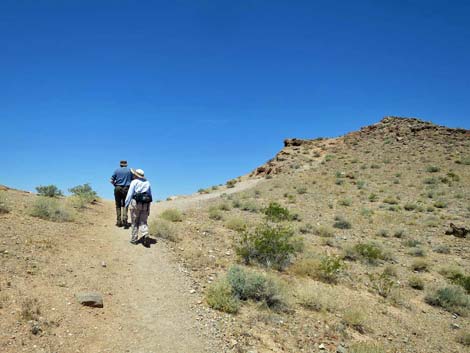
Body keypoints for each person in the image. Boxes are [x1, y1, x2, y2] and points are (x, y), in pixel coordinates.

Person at [125, 168, 153, 245]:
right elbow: (150, 195)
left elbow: (130, 194)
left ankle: (134, 239)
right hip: (146, 203)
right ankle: (145, 234)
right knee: (143, 221)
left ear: (136, 175)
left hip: (135, 203)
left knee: (134, 221)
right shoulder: (147, 182)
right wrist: (149, 208)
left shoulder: (134, 182)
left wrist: (126, 204)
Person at [110, 160, 132, 228]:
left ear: (120, 164)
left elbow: (111, 180)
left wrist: (115, 185)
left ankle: (119, 222)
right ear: (126, 164)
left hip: (117, 188)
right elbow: (133, 180)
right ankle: (125, 220)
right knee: (125, 204)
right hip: (126, 189)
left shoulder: (116, 170)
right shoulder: (130, 171)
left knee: (118, 205)